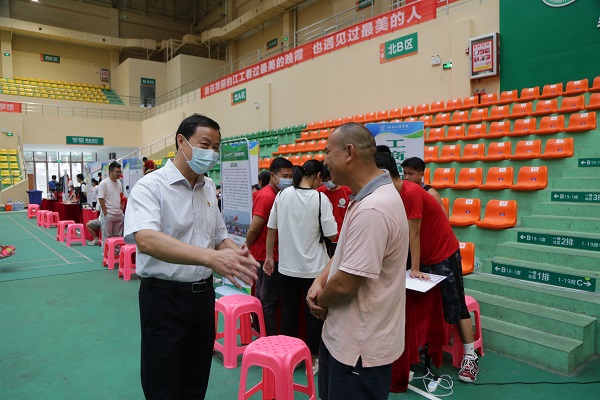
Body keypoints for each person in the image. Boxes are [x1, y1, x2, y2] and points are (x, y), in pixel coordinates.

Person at [124, 113, 259, 399]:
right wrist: (209, 258)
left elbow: (219, 238)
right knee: (163, 383)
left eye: (216, 147)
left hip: (202, 298)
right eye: (205, 144)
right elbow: (146, 239)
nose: (211, 153)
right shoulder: (150, 186)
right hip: (163, 298)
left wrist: (237, 256)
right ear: (181, 142)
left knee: (195, 379)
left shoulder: (208, 186)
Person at [306, 122, 409, 400]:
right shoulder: (365, 198)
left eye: (328, 152)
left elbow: (345, 285)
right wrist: (320, 279)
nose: (325, 161)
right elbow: (344, 254)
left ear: (348, 152)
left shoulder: (374, 208)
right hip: (345, 340)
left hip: (358, 350)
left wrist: (318, 301)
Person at [375, 151, 479, 383]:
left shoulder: (411, 192)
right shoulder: (393, 195)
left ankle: (470, 357)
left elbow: (415, 232)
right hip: (424, 258)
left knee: (455, 304)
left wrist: (414, 267)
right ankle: (420, 351)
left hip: (443, 254)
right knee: (424, 307)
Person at [264, 160, 337, 373]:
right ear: (317, 177)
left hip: (286, 267)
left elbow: (271, 228)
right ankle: (313, 359)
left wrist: (269, 257)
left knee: (288, 313)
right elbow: (332, 234)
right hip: (314, 270)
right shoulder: (321, 198)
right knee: (313, 315)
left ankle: (289, 356)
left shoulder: (282, 195)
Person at [246, 157, 294, 336]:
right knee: (267, 302)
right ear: (273, 175)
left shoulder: (279, 195)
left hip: (273, 254)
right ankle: (269, 339)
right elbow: (254, 228)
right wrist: (246, 246)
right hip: (264, 256)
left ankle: (263, 334)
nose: (288, 179)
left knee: (267, 299)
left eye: (290, 176)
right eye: (284, 176)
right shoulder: (267, 197)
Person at [316, 163, 352, 256]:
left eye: (329, 178)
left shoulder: (347, 190)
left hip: (344, 239)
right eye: (324, 179)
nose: (328, 181)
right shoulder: (319, 192)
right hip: (327, 239)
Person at [97, 161, 124, 241]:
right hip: (108, 214)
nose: (119, 174)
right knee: (107, 237)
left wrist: (121, 209)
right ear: (111, 171)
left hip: (118, 214)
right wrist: (105, 212)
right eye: (117, 172)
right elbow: (101, 198)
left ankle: (116, 253)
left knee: (117, 237)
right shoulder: (103, 183)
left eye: (120, 172)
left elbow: (121, 196)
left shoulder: (119, 183)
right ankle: (105, 253)